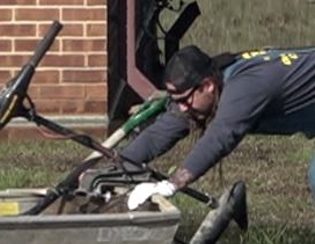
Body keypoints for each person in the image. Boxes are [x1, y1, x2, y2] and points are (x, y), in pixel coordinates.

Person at [121, 45, 315, 211]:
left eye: (184, 100)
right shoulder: (209, 83)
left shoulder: (245, 88)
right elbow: (160, 133)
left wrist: (170, 185)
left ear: (208, 86)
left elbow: (219, 138)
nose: (182, 108)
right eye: (176, 101)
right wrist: (119, 166)